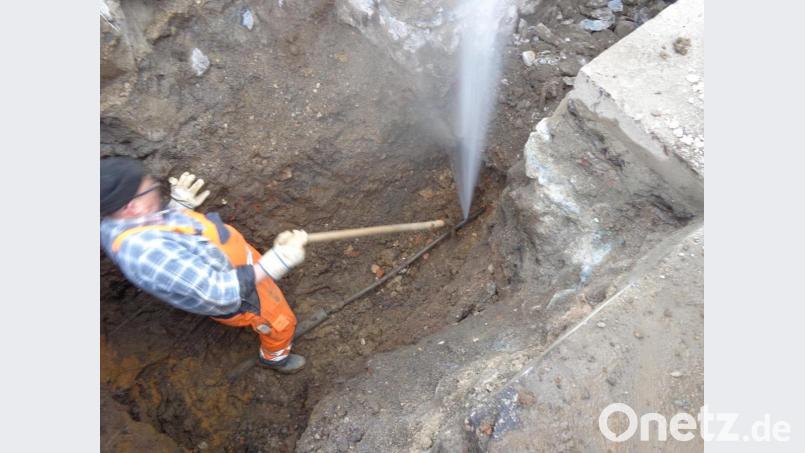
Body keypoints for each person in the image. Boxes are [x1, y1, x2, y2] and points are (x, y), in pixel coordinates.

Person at [100, 157, 308, 374]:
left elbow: (170, 242)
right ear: (132, 206)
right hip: (242, 295)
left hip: (240, 264)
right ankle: (275, 357)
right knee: (281, 323)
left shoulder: (123, 219)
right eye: (150, 188)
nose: (156, 188)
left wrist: (178, 207)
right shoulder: (147, 253)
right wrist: (275, 263)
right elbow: (218, 293)